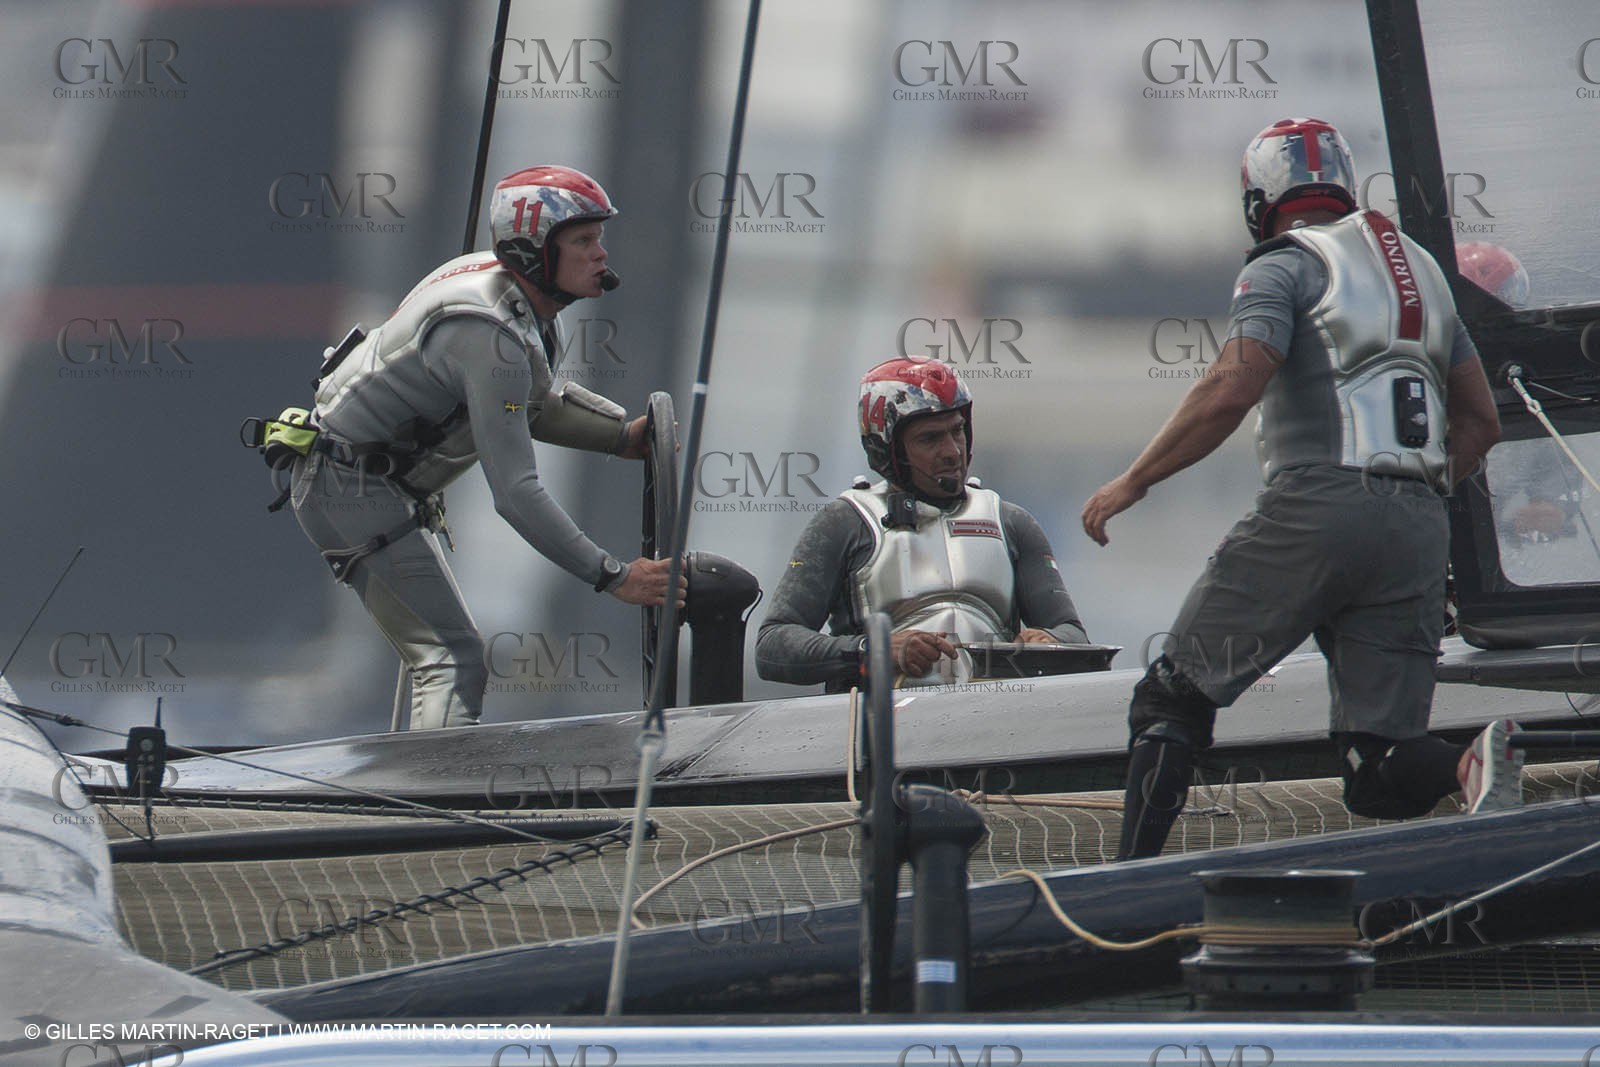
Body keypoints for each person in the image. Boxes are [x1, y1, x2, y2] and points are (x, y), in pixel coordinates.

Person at [1080, 118, 1509, 860]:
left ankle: (1122, 881)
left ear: (1259, 199)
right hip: (1417, 524)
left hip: (1316, 505)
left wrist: (1135, 479)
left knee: (1170, 696)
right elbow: (1482, 421)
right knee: (1379, 766)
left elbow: (1232, 385)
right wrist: (1414, 497)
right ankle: (1473, 761)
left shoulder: (1281, 264)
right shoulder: (1427, 272)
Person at [287, 165, 680, 730]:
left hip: (369, 481)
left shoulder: (521, 309)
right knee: (450, 656)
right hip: (348, 489)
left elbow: (533, 399)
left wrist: (620, 436)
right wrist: (614, 576)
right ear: (536, 252)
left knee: (434, 654)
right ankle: (430, 811)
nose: (600, 255)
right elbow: (516, 494)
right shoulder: (490, 334)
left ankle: (413, 787)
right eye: (584, 242)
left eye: (600, 239)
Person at [756, 357, 1089, 692]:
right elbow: (773, 644)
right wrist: (874, 651)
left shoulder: (1012, 522)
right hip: (880, 731)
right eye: (930, 439)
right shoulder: (844, 523)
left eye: (957, 431)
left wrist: (1048, 641)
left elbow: (1072, 633)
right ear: (888, 448)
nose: (951, 452)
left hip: (994, 729)